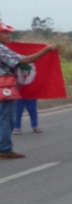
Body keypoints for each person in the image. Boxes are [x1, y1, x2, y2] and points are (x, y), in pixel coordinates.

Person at [0, 21, 57, 159]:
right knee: (6, 118)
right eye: (5, 33)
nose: (8, 36)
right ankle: (5, 149)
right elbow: (24, 60)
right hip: (4, 87)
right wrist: (45, 50)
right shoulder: (2, 49)